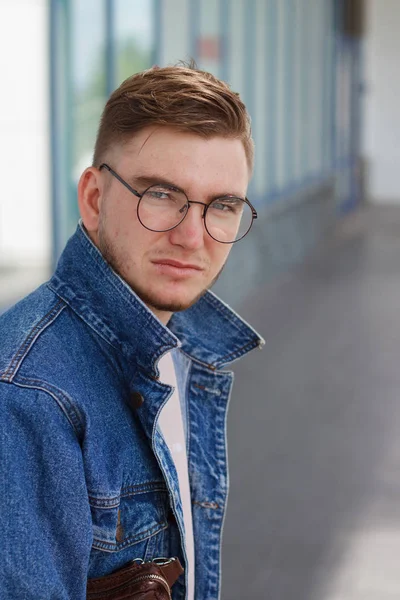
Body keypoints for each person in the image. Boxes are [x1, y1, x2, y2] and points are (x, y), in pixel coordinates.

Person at [0, 64, 264, 599]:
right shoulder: (26, 396)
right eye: (161, 195)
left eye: (224, 205)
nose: (193, 236)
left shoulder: (180, 348)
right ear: (95, 199)